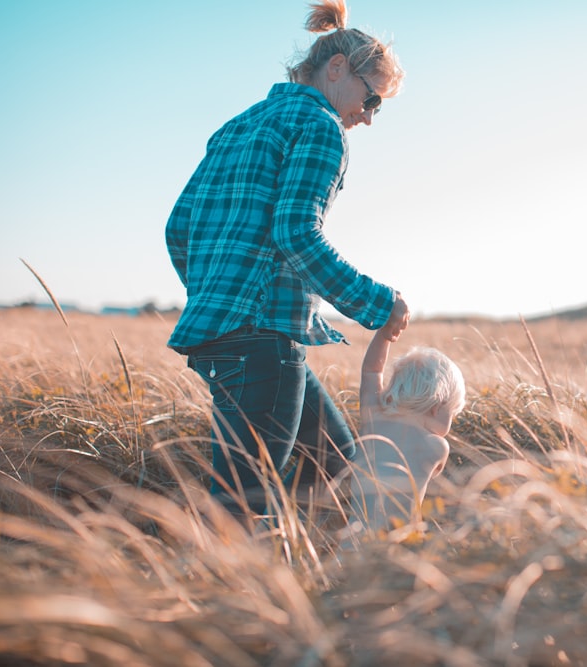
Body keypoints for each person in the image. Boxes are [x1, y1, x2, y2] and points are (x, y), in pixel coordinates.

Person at [164, 0, 408, 517]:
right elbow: (296, 234)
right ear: (338, 69)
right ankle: (222, 593)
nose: (368, 118)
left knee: (340, 469)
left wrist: (217, 296)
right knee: (242, 508)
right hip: (261, 341)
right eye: (373, 100)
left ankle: (335, 587)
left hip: (223, 333)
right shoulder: (322, 127)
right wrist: (377, 304)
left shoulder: (239, 125)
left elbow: (178, 229)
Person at [347, 327, 466, 532]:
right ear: (436, 408)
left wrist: (384, 336)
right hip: (396, 540)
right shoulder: (437, 446)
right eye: (452, 414)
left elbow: (371, 371)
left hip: (352, 536)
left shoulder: (373, 419)